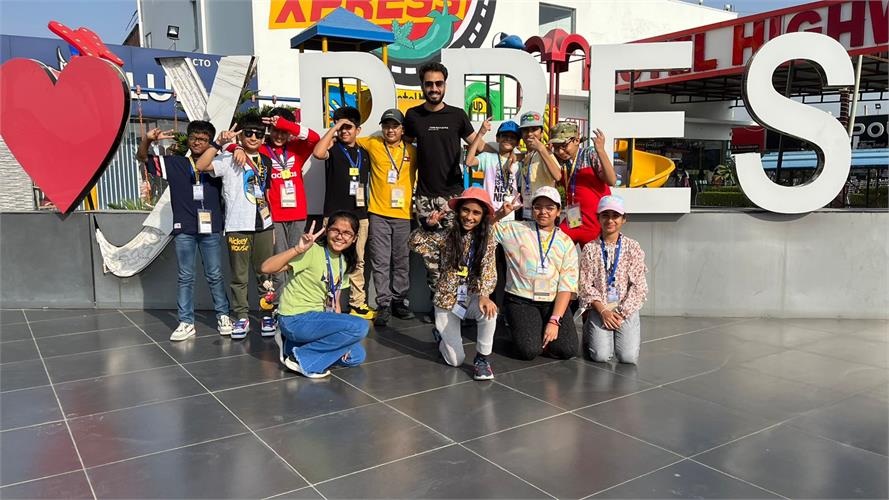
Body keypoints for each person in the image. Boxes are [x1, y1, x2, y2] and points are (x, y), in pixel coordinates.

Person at [226, 108, 320, 333]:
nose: (279, 135)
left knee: (298, 262)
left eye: (284, 131)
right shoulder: (261, 148)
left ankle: (298, 303)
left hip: (298, 214)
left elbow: (315, 138)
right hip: (272, 217)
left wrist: (286, 124)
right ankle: (277, 306)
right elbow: (232, 147)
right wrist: (236, 146)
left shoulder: (297, 148)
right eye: (275, 130)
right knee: (277, 265)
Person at [136, 121, 232, 340]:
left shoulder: (218, 163)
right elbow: (143, 158)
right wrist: (147, 140)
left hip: (211, 228)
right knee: (185, 276)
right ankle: (186, 321)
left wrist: (230, 146)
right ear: (188, 140)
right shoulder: (175, 163)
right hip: (184, 228)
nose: (197, 143)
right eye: (193, 138)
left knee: (215, 274)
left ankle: (223, 315)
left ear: (210, 142)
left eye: (203, 139)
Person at [260, 213, 369, 378]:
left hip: (317, 320)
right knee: (360, 326)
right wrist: (298, 249)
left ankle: (291, 347)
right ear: (326, 230)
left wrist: (342, 340)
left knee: (357, 355)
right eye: (335, 230)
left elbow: (335, 302)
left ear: (354, 239)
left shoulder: (344, 261)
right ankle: (301, 360)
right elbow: (266, 268)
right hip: (295, 318)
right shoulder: (312, 251)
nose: (340, 236)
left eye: (347, 233)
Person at [404, 61, 481, 292]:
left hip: (454, 197)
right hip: (424, 198)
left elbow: (478, 145)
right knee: (431, 258)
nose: (434, 88)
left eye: (439, 83)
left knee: (457, 252)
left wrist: (507, 153)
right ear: (422, 86)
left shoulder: (457, 115)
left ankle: (457, 302)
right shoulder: (413, 116)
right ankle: (438, 304)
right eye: (429, 84)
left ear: (445, 85)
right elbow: (400, 147)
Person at [195, 115, 273, 339]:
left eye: (258, 134)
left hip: (264, 226)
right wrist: (219, 143)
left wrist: (273, 226)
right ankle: (241, 317)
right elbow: (201, 165)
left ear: (263, 137)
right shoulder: (228, 158)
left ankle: (267, 315)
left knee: (265, 275)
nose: (253, 137)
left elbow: (267, 194)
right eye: (248, 133)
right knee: (239, 277)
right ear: (241, 135)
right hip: (237, 226)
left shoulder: (266, 161)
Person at [411, 188, 499, 380]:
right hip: (447, 300)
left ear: (483, 216)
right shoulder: (447, 234)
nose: (469, 217)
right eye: (466, 210)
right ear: (458, 211)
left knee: (490, 312)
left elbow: (489, 267)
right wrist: (428, 227)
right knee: (455, 360)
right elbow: (415, 245)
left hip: (473, 296)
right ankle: (441, 335)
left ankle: (482, 359)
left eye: (476, 212)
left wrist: (485, 295)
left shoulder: (488, 236)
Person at [495, 186, 578, 360]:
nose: (543, 212)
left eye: (549, 208)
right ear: (532, 209)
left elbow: (567, 285)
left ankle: (536, 331)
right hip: (521, 300)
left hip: (552, 302)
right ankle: (522, 331)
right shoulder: (516, 229)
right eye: (538, 207)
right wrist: (499, 215)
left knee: (567, 349)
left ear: (558, 211)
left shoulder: (565, 242)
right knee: (528, 351)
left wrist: (555, 320)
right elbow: (483, 229)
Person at [354, 108, 418, 327]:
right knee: (380, 261)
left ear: (402, 129)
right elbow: (348, 137)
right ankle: (383, 304)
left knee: (402, 261)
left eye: (395, 126)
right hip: (378, 214)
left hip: (404, 215)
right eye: (386, 126)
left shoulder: (412, 151)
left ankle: (399, 301)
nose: (390, 130)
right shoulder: (373, 143)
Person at [312, 106, 373, 319]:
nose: (344, 131)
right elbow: (317, 153)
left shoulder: (364, 153)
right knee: (329, 259)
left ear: (358, 130)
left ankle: (357, 303)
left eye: (349, 127)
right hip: (334, 214)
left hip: (359, 216)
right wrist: (335, 128)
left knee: (358, 260)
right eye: (341, 127)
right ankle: (327, 302)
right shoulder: (333, 147)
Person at [579, 196, 648, 364]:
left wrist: (621, 313)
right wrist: (603, 311)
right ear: (598, 218)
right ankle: (590, 330)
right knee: (600, 356)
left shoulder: (633, 247)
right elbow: (585, 285)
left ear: (624, 219)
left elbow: (638, 285)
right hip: (600, 307)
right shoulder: (590, 248)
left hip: (626, 308)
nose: (610, 220)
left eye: (615, 216)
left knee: (628, 357)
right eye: (605, 215)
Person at [550, 121, 617, 246]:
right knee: (555, 246)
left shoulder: (589, 154)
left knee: (594, 256)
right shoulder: (559, 161)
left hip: (595, 221)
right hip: (573, 219)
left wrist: (601, 151)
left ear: (576, 140)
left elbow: (612, 180)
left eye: (563, 146)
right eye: (556, 147)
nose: (560, 151)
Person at [517, 110, 562, 220]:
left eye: (534, 129)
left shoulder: (545, 153)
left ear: (541, 133)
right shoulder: (526, 156)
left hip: (543, 212)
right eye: (525, 130)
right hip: (528, 211)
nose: (529, 134)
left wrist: (541, 149)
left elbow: (557, 176)